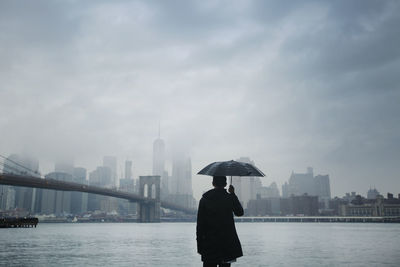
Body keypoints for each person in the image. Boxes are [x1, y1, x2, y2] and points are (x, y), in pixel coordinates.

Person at [196, 176, 244, 267]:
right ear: (225, 184)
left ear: (213, 183)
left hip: (209, 244)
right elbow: (240, 212)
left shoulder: (204, 200)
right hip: (226, 245)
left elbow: (200, 225)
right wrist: (233, 194)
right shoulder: (229, 198)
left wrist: (199, 246)